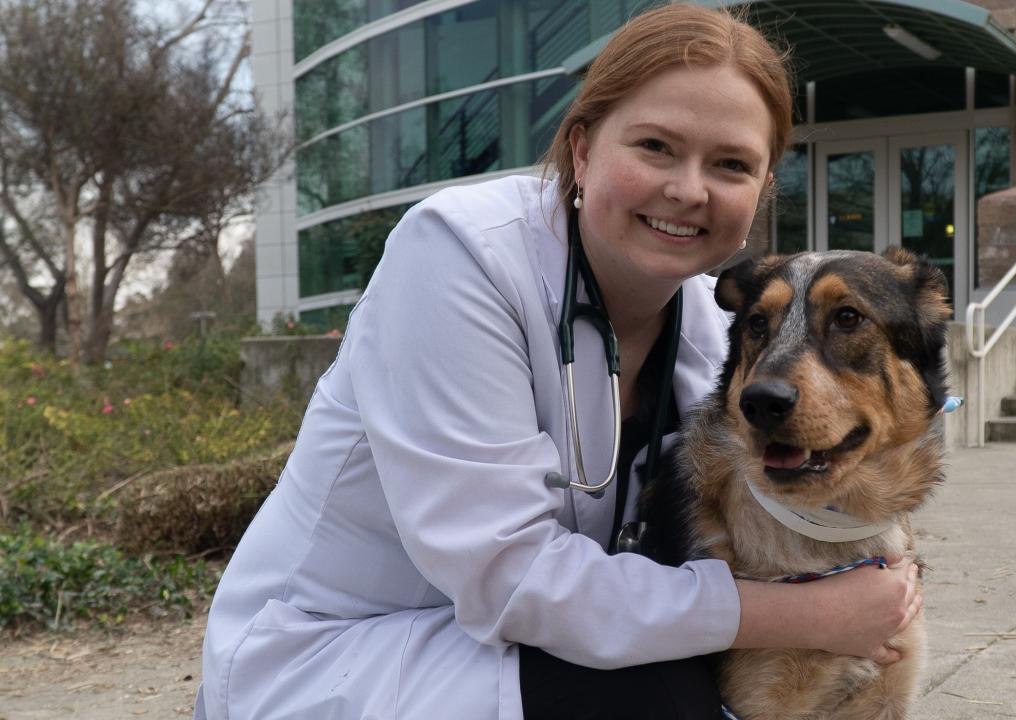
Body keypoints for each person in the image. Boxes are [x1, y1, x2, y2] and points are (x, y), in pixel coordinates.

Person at [194, 4, 921, 719]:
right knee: (659, 699)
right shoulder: (457, 257)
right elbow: (511, 576)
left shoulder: (717, 326)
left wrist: (865, 585)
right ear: (582, 151)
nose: (688, 189)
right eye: (655, 147)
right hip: (338, 658)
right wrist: (808, 617)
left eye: (730, 164)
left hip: (531, 643)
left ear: (762, 191)